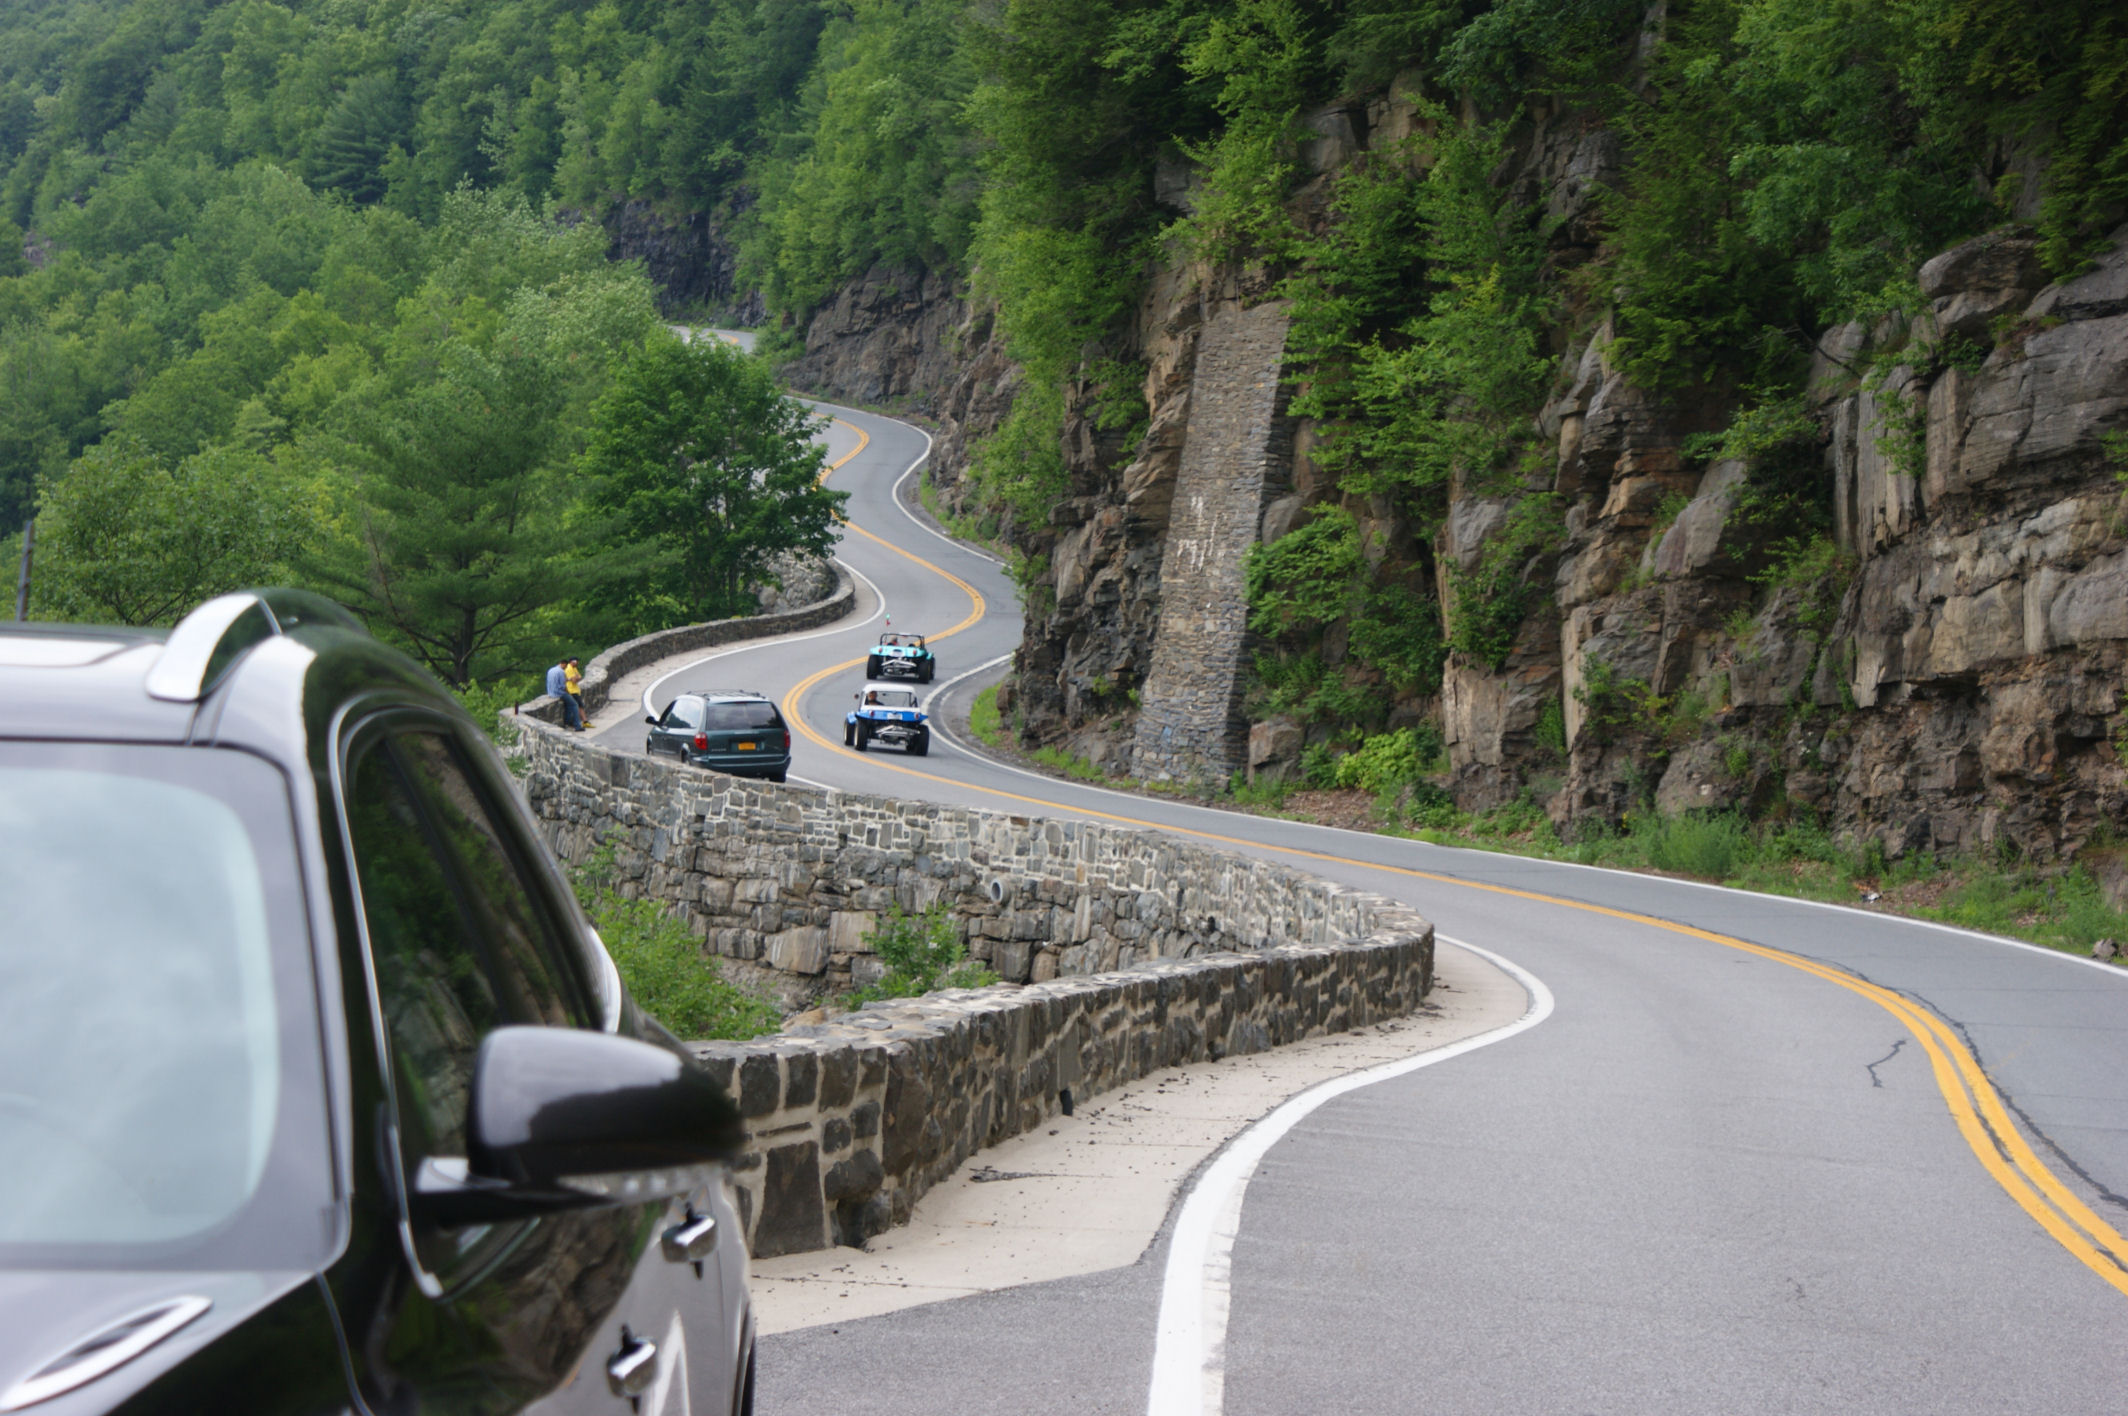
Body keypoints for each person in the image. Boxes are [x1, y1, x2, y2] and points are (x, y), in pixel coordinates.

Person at [546, 659, 583, 731]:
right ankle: (577, 726)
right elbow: (563, 686)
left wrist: (568, 679)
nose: (565, 668)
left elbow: (557, 681)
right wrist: (568, 693)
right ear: (563, 664)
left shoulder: (551, 670)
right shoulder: (561, 672)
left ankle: (567, 722)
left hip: (551, 692)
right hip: (559, 693)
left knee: (568, 705)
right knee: (574, 704)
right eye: (565, 666)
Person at [563, 657, 585, 730]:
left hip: (575, 690)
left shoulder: (574, 668)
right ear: (573, 662)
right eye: (577, 661)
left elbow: (580, 677)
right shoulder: (569, 669)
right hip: (571, 690)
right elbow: (574, 681)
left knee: (575, 706)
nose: (578, 663)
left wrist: (576, 677)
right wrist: (576, 678)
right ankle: (579, 723)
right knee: (577, 706)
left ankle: (574, 723)